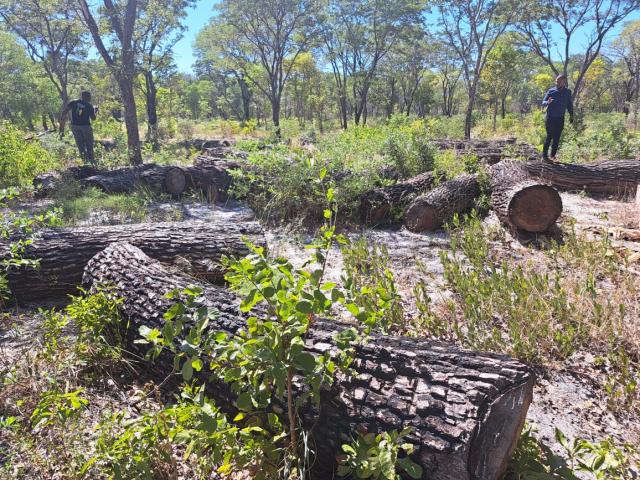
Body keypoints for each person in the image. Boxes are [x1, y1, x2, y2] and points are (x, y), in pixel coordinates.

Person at [541, 74, 574, 162]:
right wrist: (547, 102)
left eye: (559, 82)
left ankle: (553, 156)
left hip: (560, 118)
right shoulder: (551, 91)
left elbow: (569, 105)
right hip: (550, 118)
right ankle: (544, 156)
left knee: (557, 138)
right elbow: (543, 102)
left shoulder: (568, 92)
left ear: (564, 82)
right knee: (549, 136)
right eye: (556, 81)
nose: (557, 83)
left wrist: (571, 115)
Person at [62, 91, 98, 164]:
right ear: (86, 96)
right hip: (85, 126)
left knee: (80, 144)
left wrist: (62, 119)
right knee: (89, 144)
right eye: (89, 96)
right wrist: (95, 111)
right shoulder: (89, 106)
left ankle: (84, 161)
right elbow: (93, 118)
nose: (90, 98)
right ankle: (91, 161)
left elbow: (65, 111)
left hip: (75, 126)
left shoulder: (73, 102)